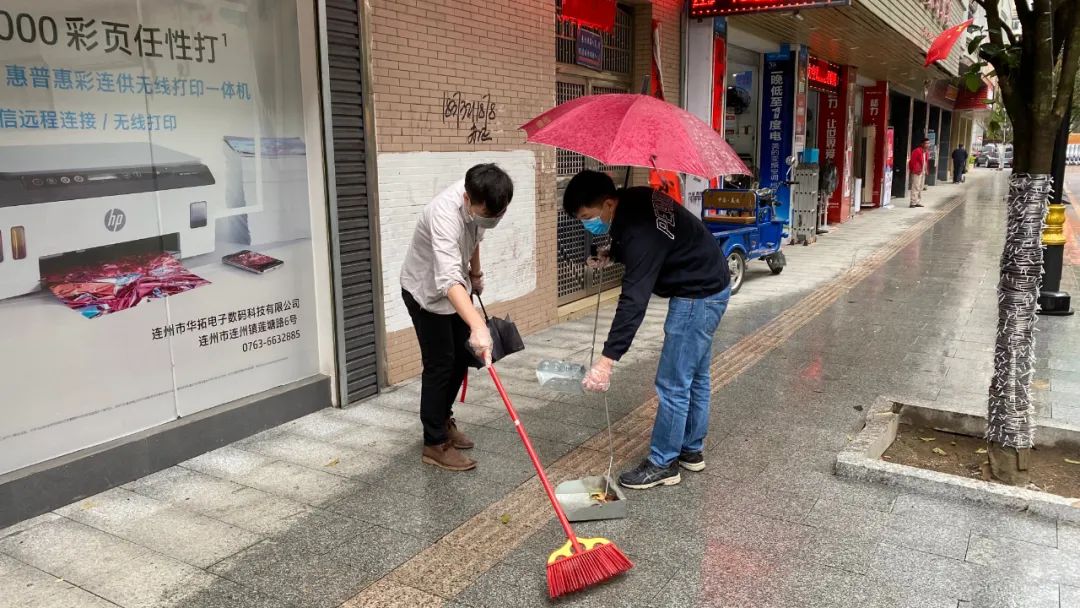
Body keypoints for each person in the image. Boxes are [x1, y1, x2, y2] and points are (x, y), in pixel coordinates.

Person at [563, 170, 731, 490]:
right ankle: (691, 450)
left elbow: (633, 300)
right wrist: (612, 253)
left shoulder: (638, 229)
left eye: (587, 217)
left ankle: (663, 463)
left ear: (608, 203)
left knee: (673, 383)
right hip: (710, 281)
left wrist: (607, 360)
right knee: (695, 375)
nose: (587, 224)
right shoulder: (635, 197)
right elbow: (650, 240)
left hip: (696, 294)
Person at [400, 164, 514, 471]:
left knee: (461, 359)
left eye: (499, 215)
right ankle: (434, 442)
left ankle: (443, 418)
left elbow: (475, 239)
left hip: (457, 291)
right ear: (467, 200)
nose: (493, 220)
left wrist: (475, 274)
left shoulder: (481, 202)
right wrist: (478, 326)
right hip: (426, 295)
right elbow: (448, 278)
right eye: (488, 215)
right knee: (440, 365)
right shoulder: (443, 214)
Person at [908, 138, 930, 208]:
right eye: (926, 143)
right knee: (915, 187)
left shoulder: (926, 152)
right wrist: (913, 170)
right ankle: (912, 202)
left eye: (928, 143)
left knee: (920, 187)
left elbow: (926, 162)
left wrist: (926, 170)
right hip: (917, 172)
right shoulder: (917, 151)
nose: (928, 145)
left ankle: (917, 202)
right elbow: (912, 161)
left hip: (922, 172)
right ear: (922, 144)